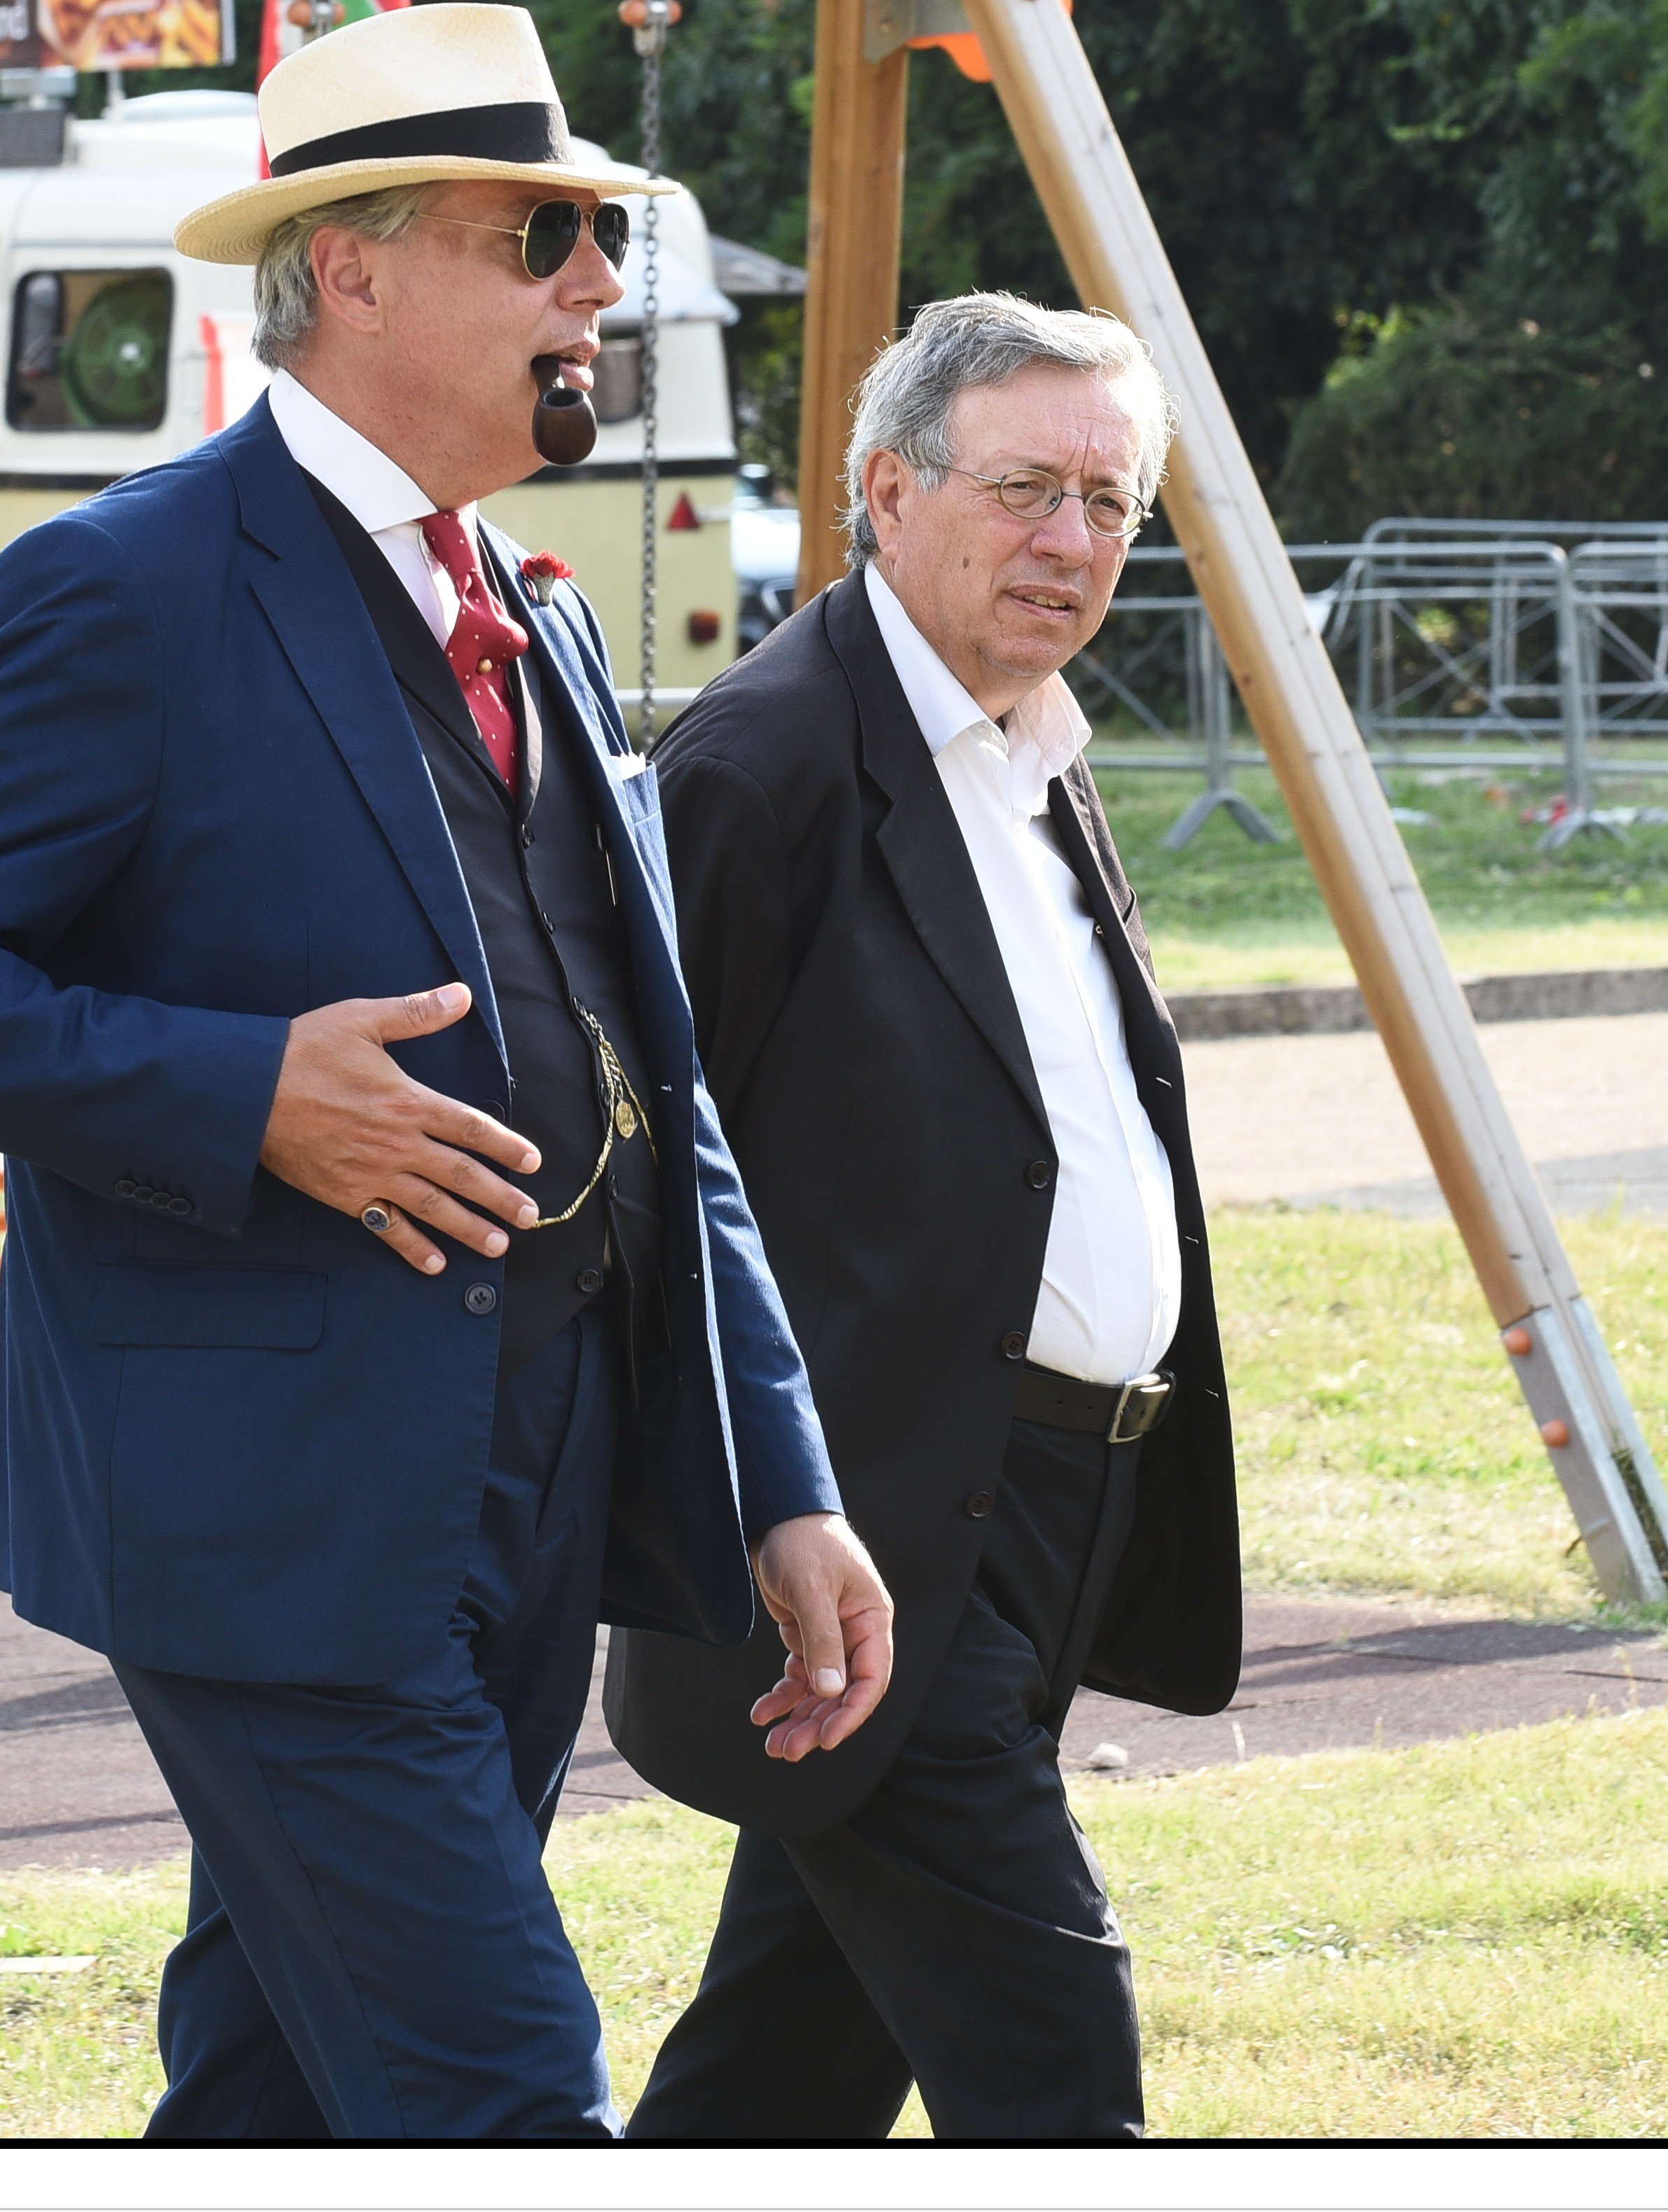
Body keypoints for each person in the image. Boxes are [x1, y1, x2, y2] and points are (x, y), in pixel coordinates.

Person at [0, 2, 894, 2142]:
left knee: (278, 2092)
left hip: (533, 1470)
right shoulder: (126, 586)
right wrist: (242, 1092)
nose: (599, 278)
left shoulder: (542, 617)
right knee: (502, 2089)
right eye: (541, 234)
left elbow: (660, 1095)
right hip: (262, 1505)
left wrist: (781, 1476)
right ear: (354, 269)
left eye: (597, 232)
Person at [611, 294, 1240, 2143]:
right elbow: (651, 1186)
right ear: (887, 489)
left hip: (1045, 1506)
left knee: (783, 2066)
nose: (1070, 539)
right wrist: (754, 1506)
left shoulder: (1026, 738)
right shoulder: (762, 768)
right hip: (865, 1524)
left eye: (1107, 503)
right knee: (1050, 2052)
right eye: (1025, 487)